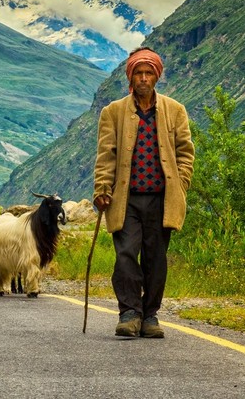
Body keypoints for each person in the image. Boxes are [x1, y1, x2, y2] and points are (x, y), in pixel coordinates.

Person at [92, 47, 194, 339]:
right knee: (125, 254)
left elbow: (185, 152)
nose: (144, 78)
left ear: (156, 77)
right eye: (139, 73)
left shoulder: (175, 111)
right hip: (125, 198)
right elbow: (106, 155)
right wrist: (102, 188)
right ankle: (129, 312)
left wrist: (181, 183)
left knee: (156, 258)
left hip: (162, 198)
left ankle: (150, 315)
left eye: (149, 73)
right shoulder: (113, 112)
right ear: (131, 77)